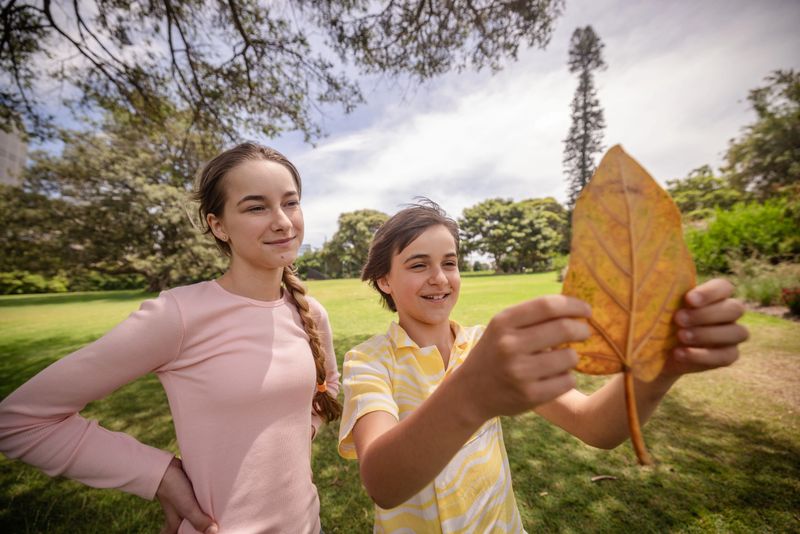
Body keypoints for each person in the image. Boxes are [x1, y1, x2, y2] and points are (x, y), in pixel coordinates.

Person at [337, 200, 749, 532]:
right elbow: (383, 483)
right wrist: (470, 393)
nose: (441, 278)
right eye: (418, 264)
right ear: (384, 281)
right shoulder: (367, 361)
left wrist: (657, 368)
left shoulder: (483, 347)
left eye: (450, 262)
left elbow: (595, 426)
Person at [0, 143, 341, 534]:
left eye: (290, 203)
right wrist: (159, 475)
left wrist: (305, 428)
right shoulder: (177, 316)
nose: (282, 221)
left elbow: (327, 384)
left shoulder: (311, 313)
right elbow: (20, 421)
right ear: (218, 225)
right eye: (256, 207)